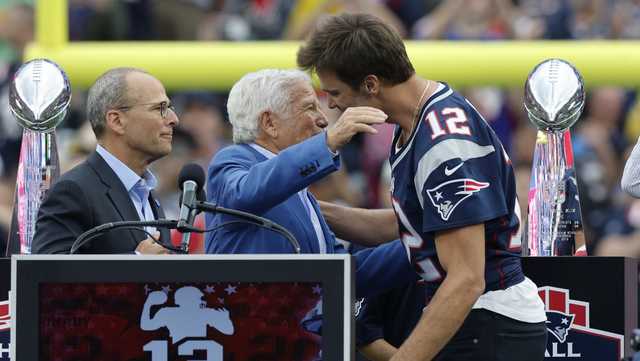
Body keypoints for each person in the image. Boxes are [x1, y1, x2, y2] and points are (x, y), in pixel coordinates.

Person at [298, 13, 547, 361]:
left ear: (371, 84)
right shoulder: (415, 124)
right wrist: (309, 210)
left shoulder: (442, 141)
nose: (333, 104)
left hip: (489, 322)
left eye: (336, 92)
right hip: (477, 320)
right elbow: (413, 226)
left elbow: (466, 279)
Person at [205, 69, 414, 298]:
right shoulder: (233, 160)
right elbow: (244, 193)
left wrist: (425, 245)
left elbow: (339, 273)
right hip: (255, 329)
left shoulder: (296, 190)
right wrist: (328, 143)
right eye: (309, 107)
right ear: (270, 123)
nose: (324, 120)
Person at [32, 68, 178, 254]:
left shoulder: (149, 195)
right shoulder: (72, 191)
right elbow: (47, 274)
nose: (174, 119)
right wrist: (135, 261)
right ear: (116, 121)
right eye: (160, 109)